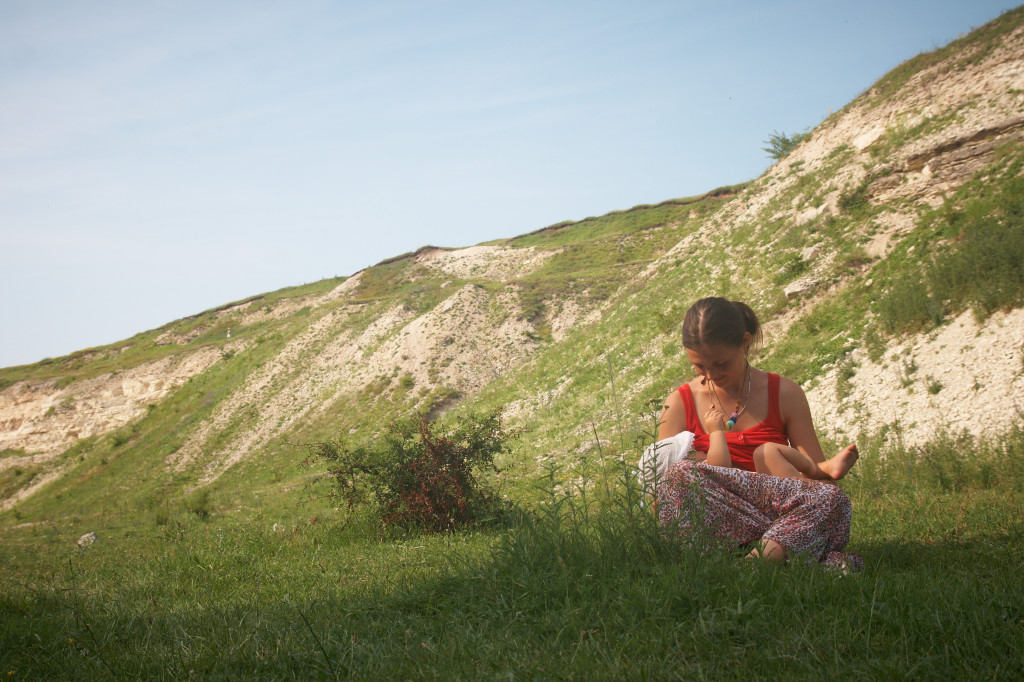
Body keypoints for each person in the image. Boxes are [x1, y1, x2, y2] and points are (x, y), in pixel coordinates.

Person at [654, 296, 861, 568]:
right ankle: (793, 557)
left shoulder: (785, 393)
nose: (711, 374)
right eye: (699, 365)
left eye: (721, 363)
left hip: (780, 516)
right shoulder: (679, 402)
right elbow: (660, 493)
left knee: (832, 499)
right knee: (678, 476)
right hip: (718, 519)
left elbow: (816, 482)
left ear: (745, 342)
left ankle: (753, 562)